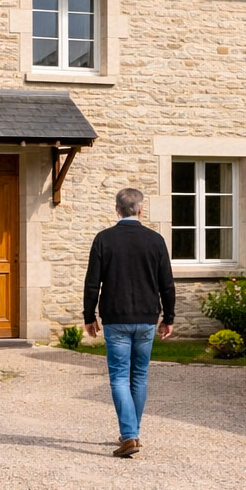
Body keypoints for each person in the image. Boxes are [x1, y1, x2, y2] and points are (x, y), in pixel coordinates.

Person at [84, 187, 175, 458]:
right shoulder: (155, 240)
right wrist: (168, 318)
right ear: (140, 209)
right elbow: (167, 285)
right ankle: (132, 432)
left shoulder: (104, 239)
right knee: (139, 375)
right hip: (147, 318)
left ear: (117, 209)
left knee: (119, 377)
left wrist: (89, 316)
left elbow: (92, 283)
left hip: (116, 318)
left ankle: (129, 434)